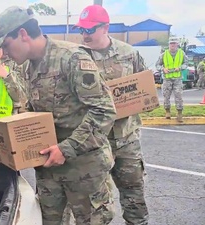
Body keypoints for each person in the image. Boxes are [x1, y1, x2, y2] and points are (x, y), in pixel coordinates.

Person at [0, 6, 117, 225]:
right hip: (49, 169)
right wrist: (11, 144)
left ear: (23, 34)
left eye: (6, 45)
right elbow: (34, 113)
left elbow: (103, 110)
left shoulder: (72, 58)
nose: (5, 53)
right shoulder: (28, 67)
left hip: (84, 170)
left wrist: (66, 148)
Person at [72, 5, 149, 225]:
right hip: (94, 142)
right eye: (82, 31)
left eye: (90, 30)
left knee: (134, 194)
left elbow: (143, 88)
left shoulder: (129, 54)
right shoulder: (76, 57)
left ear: (105, 28)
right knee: (95, 204)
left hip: (126, 139)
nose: (85, 35)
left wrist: (142, 102)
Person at [156, 37, 188, 122]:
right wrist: (163, 69)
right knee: (166, 96)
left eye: (174, 44)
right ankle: (167, 112)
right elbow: (157, 65)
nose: (172, 45)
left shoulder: (182, 53)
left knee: (179, 96)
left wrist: (180, 67)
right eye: (171, 44)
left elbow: (186, 63)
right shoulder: (164, 54)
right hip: (167, 79)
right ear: (169, 45)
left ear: (177, 44)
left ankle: (179, 114)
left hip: (177, 79)